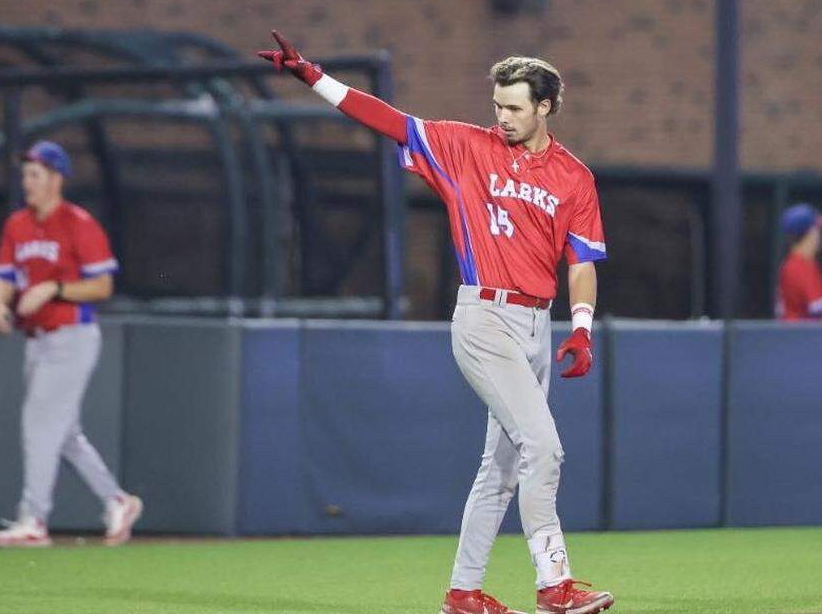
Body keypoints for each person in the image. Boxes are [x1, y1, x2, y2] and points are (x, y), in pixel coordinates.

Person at [259, 32, 614, 614]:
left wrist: (580, 327)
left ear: (545, 106)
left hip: (535, 325)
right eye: (498, 104)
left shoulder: (574, 177)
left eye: (515, 106)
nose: (501, 116)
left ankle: (463, 593)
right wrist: (311, 76)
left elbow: (582, 261)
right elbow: (387, 120)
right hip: (484, 317)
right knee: (543, 446)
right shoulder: (465, 146)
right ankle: (555, 585)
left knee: (500, 470)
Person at [0, 140, 142, 547]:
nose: (27, 182)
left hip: (71, 336)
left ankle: (33, 520)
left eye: (35, 174)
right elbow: (2, 275)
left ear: (57, 179)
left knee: (39, 425)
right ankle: (116, 500)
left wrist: (54, 288)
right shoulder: (17, 224)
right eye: (25, 174)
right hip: (36, 339)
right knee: (63, 433)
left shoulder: (78, 223)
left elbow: (103, 284)